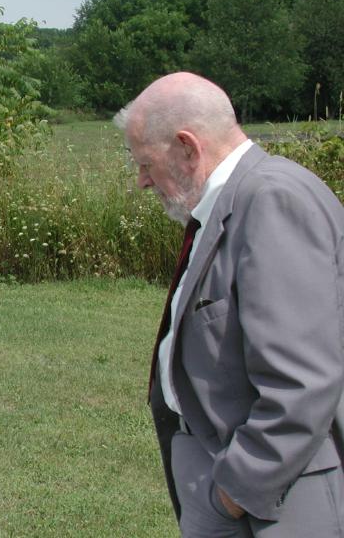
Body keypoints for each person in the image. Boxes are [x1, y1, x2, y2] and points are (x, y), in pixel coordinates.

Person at [114, 72, 344, 537]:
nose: (142, 181)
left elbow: (301, 383)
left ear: (187, 147)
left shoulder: (273, 200)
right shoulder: (229, 202)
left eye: (146, 163)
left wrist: (231, 496)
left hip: (274, 502)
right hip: (229, 476)